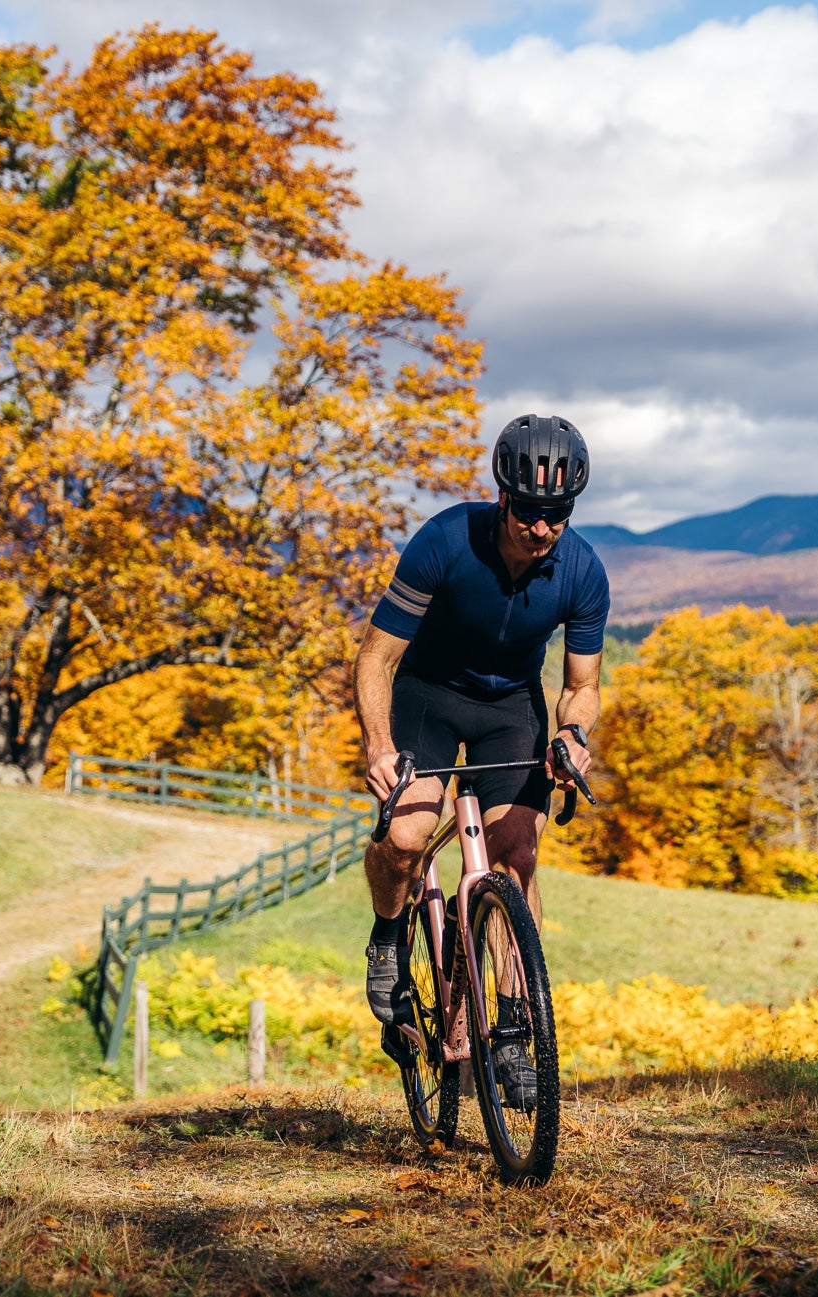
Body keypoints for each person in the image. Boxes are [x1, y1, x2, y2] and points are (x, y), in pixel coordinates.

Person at [355, 413, 608, 1110]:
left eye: (556, 513)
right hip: (428, 696)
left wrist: (573, 737)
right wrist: (378, 742)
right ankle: (386, 933)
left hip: (508, 711)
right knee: (406, 835)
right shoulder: (444, 541)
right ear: (503, 498)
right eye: (528, 510)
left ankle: (513, 1031)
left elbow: (581, 687)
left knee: (517, 854)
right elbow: (377, 655)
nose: (541, 527)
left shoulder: (583, 571)